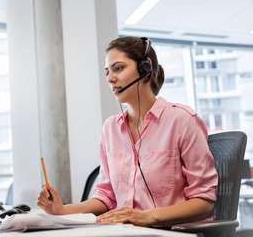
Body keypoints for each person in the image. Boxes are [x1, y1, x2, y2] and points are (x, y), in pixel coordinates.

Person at [37, 36, 218, 227]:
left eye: (118, 68)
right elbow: (106, 197)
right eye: (107, 72)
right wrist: (63, 210)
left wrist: (146, 216)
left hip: (172, 232)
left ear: (145, 69)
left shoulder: (183, 121)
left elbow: (204, 202)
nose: (110, 78)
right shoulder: (110, 128)